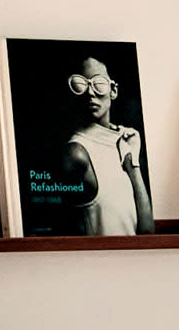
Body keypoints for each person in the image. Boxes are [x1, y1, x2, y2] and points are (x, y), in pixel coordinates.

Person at [64, 56, 151, 236]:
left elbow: (147, 232)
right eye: (81, 85)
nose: (90, 93)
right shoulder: (77, 153)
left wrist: (133, 165)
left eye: (99, 84)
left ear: (113, 90)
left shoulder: (124, 141)